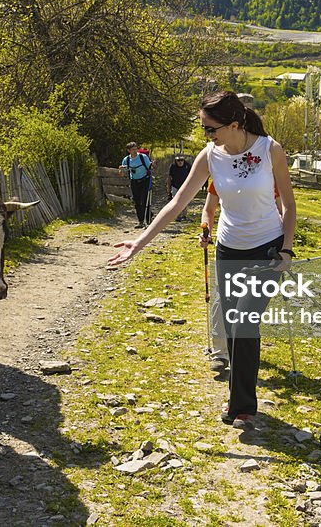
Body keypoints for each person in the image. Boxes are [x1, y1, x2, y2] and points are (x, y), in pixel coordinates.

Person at [109, 91, 297, 429]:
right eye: (203, 129)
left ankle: (241, 405)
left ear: (235, 124)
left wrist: (286, 248)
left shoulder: (271, 150)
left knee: (244, 321)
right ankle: (239, 398)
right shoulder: (210, 156)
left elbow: (289, 205)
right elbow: (177, 203)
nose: (206, 136)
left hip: (266, 248)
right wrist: (138, 243)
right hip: (228, 249)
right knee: (230, 325)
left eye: (210, 129)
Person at [202, 179, 285, 373]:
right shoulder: (221, 172)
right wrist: (206, 228)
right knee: (223, 298)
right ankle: (221, 352)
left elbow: (283, 210)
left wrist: (284, 247)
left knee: (248, 304)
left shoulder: (270, 176)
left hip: (262, 246)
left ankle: (241, 352)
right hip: (229, 244)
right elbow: (209, 208)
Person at [119, 142, 153, 228]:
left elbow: (150, 167)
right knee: (137, 201)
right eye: (132, 150)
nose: (135, 151)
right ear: (128, 150)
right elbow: (122, 175)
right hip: (134, 181)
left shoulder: (143, 157)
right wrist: (121, 170)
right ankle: (141, 221)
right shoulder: (126, 160)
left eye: (136, 149)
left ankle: (148, 220)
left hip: (145, 180)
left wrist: (153, 164)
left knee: (145, 200)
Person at [166, 155, 192, 220]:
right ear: (176, 161)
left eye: (182, 160)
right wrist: (168, 190)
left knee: (184, 201)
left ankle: (184, 215)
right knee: (175, 201)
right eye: (178, 160)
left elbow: (192, 175)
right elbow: (169, 178)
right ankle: (177, 216)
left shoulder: (187, 166)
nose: (180, 162)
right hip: (175, 186)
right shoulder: (173, 166)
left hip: (185, 186)